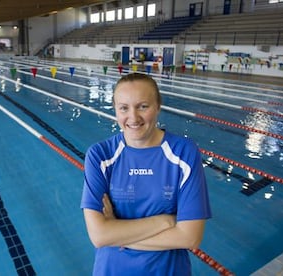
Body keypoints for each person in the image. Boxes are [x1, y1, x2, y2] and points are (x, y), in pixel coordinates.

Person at [81, 73, 211, 275]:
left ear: (158, 106)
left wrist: (116, 231)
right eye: (124, 108)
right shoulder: (100, 156)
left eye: (143, 106)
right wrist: (166, 221)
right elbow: (99, 236)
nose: (133, 118)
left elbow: (189, 238)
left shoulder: (183, 153)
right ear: (115, 109)